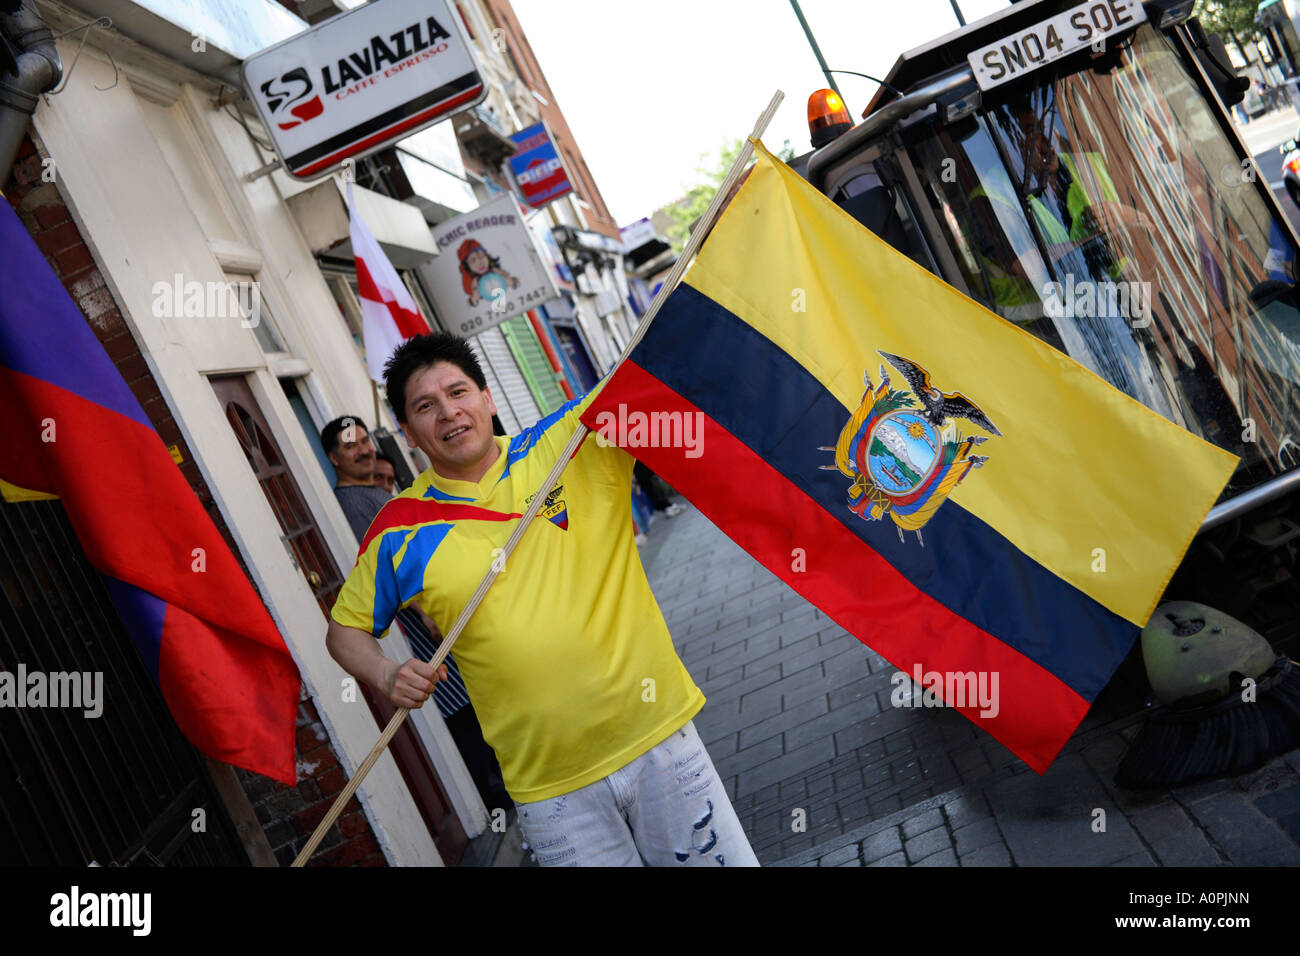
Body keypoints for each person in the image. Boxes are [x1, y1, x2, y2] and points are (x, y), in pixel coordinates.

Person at [326, 332, 758, 867]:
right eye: (425, 406)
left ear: (488, 398)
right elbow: (344, 632)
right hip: (549, 792)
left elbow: (670, 374)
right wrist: (387, 675)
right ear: (409, 433)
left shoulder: (571, 439)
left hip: (659, 742)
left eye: (459, 392)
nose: (449, 412)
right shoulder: (398, 529)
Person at [320, 415, 512, 816]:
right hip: (418, 629)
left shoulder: (375, 493)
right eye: (352, 446)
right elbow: (394, 567)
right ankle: (494, 800)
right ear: (334, 458)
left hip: (432, 619)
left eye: (366, 441)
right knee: (457, 708)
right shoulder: (354, 504)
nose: (364, 449)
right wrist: (427, 611)